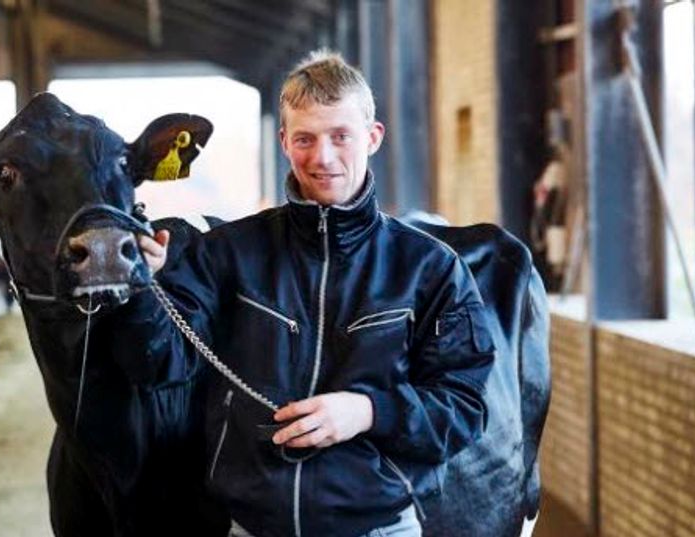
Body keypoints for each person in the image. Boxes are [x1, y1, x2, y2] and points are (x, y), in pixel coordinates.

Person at [122, 49, 495, 537]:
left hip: (379, 527)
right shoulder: (226, 255)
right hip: (253, 526)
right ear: (284, 141)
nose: (322, 157)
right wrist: (143, 288)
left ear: (373, 137)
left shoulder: (430, 268)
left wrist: (367, 411)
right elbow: (159, 365)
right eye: (305, 138)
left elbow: (466, 406)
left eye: (341, 136)